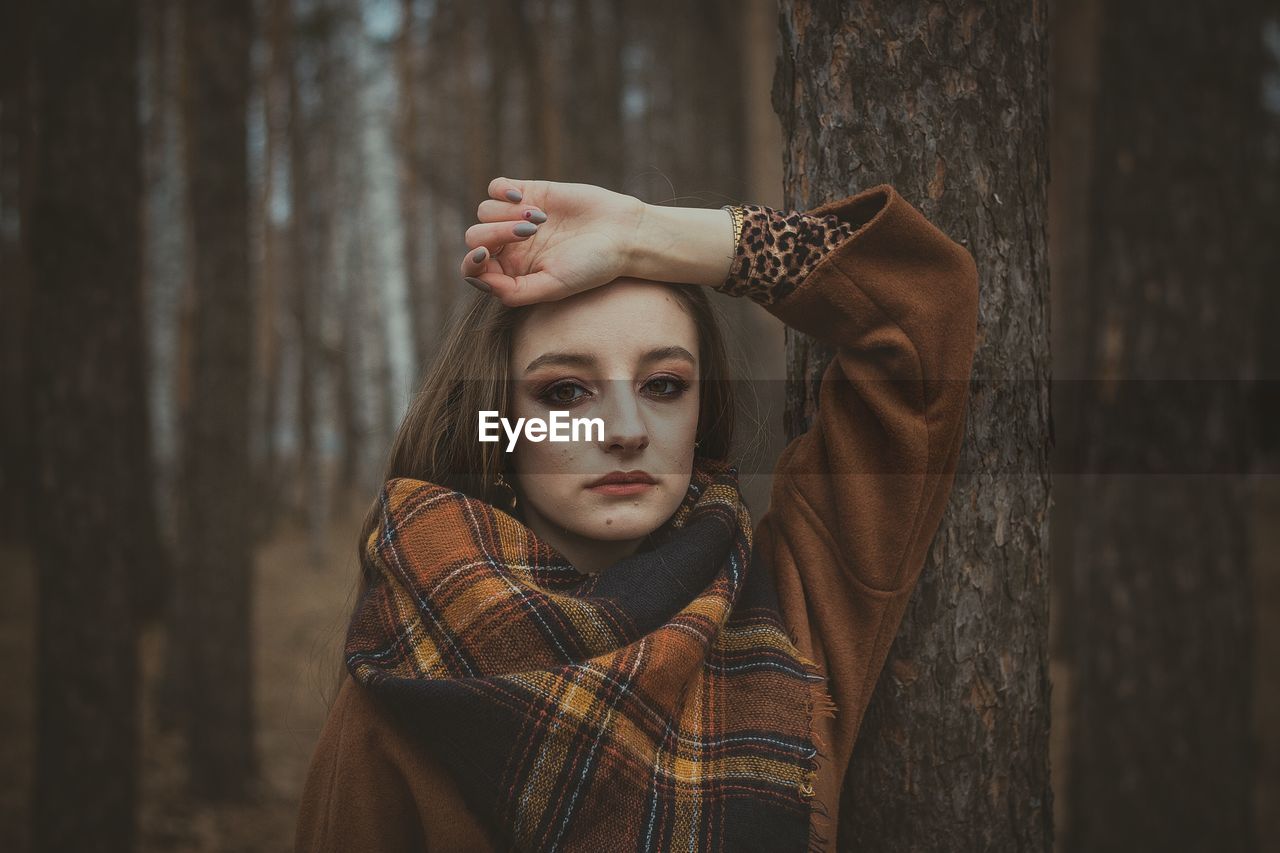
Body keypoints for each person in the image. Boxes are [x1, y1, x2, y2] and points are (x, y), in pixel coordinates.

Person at [294, 177, 979, 852]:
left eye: (662, 385)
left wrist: (646, 236)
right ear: (497, 423)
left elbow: (922, 305)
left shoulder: (789, 608)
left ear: (699, 413)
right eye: (564, 391)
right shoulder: (407, 689)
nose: (624, 428)